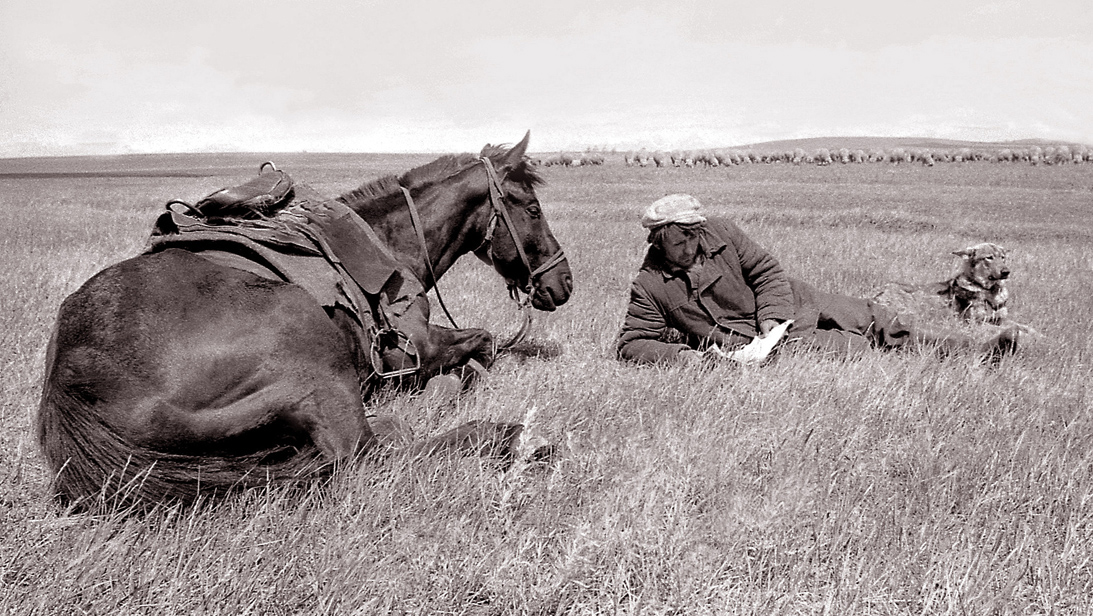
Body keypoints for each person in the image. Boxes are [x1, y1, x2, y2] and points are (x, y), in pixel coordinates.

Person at [616, 194, 1019, 365]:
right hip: (766, 346)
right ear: (658, 238)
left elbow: (766, 271)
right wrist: (688, 359)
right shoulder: (650, 284)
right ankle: (925, 358)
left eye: (694, 231)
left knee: (880, 319)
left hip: (796, 301)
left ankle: (977, 351)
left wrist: (771, 316)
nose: (692, 241)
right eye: (680, 236)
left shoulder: (721, 230)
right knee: (856, 350)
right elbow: (633, 343)